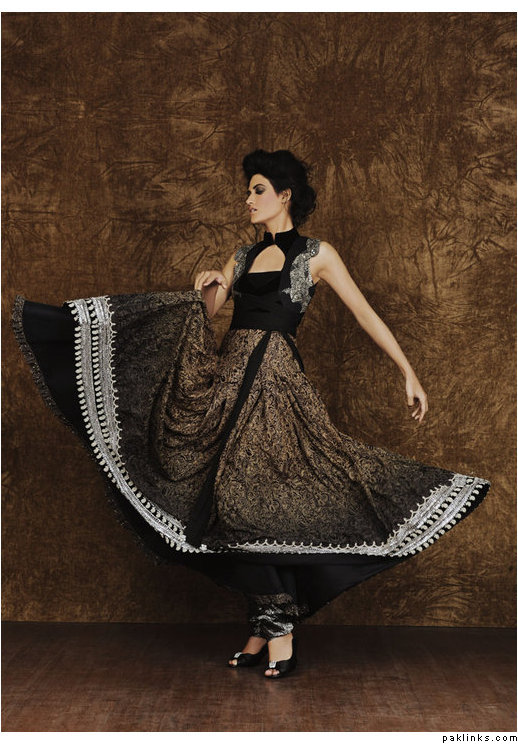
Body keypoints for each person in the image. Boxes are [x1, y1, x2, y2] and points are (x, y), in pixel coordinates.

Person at [12, 148, 491, 680]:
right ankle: (268, 624)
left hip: (276, 387)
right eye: (247, 191)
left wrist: (408, 371)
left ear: (285, 196)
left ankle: (275, 629)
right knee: (230, 505)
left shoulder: (318, 254)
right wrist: (205, 287)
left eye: (258, 189)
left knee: (261, 502)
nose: (248, 199)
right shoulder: (240, 256)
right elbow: (206, 316)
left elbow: (364, 312)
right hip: (227, 385)